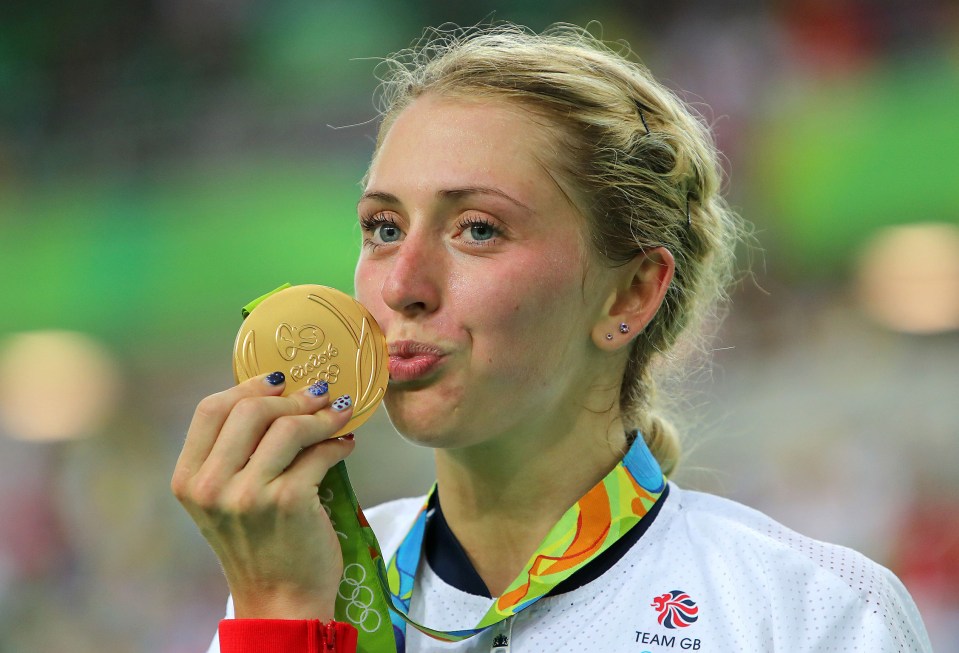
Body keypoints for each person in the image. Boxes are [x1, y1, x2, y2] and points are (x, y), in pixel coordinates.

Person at [172, 23, 933, 653]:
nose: (402, 284)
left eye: (477, 228)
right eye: (382, 227)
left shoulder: (808, 612)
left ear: (629, 292)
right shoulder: (300, 576)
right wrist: (280, 616)